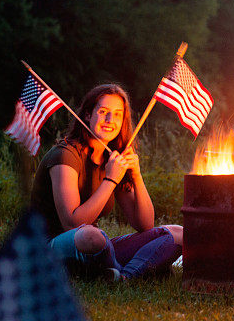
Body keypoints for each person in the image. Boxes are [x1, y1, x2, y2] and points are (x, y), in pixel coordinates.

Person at [30, 83, 182, 281]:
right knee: (91, 236)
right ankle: (142, 268)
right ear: (87, 115)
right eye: (103, 112)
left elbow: (145, 224)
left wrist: (136, 176)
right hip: (51, 247)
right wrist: (110, 179)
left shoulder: (111, 158)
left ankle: (123, 278)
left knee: (178, 233)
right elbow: (72, 224)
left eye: (118, 114)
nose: (110, 120)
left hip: (96, 246)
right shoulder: (65, 155)